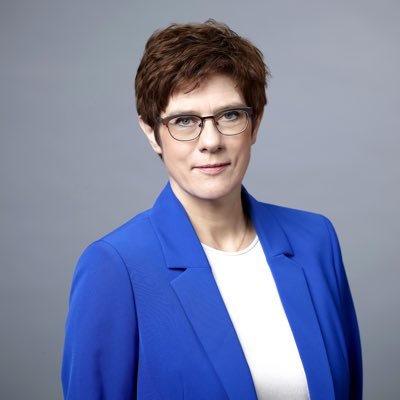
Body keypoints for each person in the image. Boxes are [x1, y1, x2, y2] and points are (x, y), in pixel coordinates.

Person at [62, 20, 362, 400]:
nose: (211, 141)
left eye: (230, 115)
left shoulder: (315, 241)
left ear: (255, 123)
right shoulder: (115, 267)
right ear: (152, 133)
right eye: (184, 121)